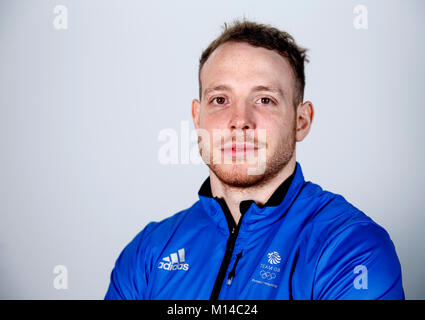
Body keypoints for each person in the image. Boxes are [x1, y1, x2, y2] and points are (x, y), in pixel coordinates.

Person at [105, 19, 404, 300]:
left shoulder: (351, 248)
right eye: (220, 100)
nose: (240, 120)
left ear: (301, 121)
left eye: (264, 100)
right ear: (197, 117)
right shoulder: (148, 252)